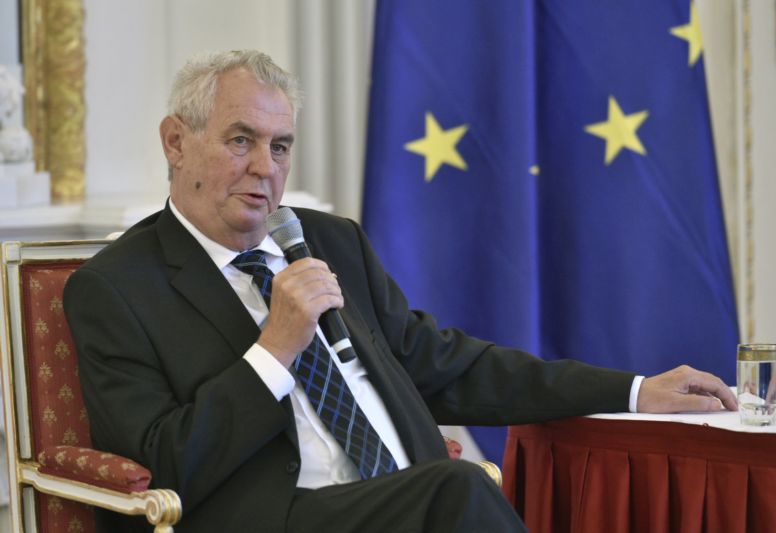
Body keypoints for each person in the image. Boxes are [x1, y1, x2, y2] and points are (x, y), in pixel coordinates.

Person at [64, 50, 737, 533]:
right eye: (242, 140)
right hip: (274, 515)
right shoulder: (115, 288)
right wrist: (275, 350)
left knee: (450, 492)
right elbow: (162, 462)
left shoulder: (329, 241)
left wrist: (633, 391)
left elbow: (450, 366)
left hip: (403, 497)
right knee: (457, 489)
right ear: (176, 142)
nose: (265, 168)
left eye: (281, 147)